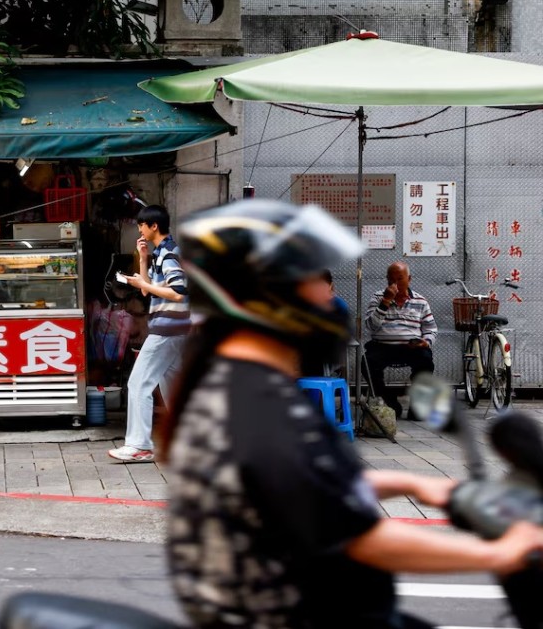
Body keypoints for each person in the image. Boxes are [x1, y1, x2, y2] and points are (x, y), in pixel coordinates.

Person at [160, 199, 543, 629]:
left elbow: (306, 488)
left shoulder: (240, 384)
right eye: (311, 284)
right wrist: (498, 553)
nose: (328, 302)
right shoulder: (253, 405)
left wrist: (414, 482)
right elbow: (362, 539)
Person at [108, 204, 190, 463]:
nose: (140, 230)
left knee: (139, 383)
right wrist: (143, 260)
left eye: (142, 225)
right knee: (172, 388)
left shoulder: (169, 255)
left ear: (154, 226)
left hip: (167, 328)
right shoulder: (160, 253)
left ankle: (140, 445)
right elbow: (147, 292)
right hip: (175, 329)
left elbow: (178, 291)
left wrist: (143, 283)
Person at [364, 261, 437, 419]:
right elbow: (370, 326)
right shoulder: (378, 298)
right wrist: (385, 303)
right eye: (391, 280)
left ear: (409, 279)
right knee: (367, 363)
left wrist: (426, 341)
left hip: (411, 347)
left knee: (425, 361)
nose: (394, 284)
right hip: (382, 347)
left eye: (399, 279)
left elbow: (431, 329)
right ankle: (390, 402)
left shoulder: (420, 301)